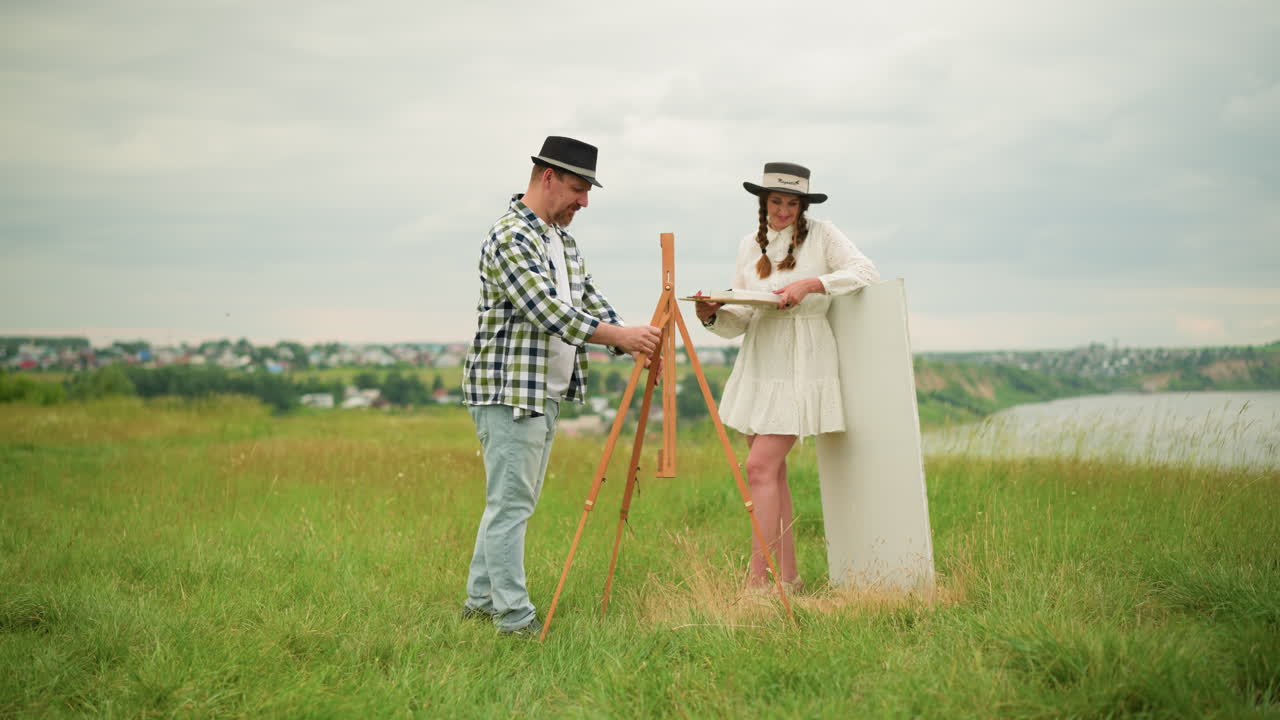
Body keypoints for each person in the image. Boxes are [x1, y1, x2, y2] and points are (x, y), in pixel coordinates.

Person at [461, 136, 661, 636]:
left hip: (543, 393)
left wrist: (633, 341)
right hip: (510, 392)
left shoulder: (563, 242)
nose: (584, 202)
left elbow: (589, 301)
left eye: (588, 191)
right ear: (547, 177)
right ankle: (515, 619)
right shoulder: (512, 236)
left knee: (509, 501)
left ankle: (480, 602)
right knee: (512, 506)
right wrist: (621, 336)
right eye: (577, 189)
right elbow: (544, 309)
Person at [695, 162, 879, 591]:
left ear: (802, 204)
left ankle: (759, 585)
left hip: (802, 358)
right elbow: (741, 317)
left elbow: (865, 271)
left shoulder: (824, 234)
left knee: (759, 467)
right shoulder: (749, 245)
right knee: (770, 475)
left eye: (791, 203)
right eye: (776, 201)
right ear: (764, 201)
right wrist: (712, 315)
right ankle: (788, 579)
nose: (782, 211)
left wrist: (811, 285)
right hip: (760, 359)